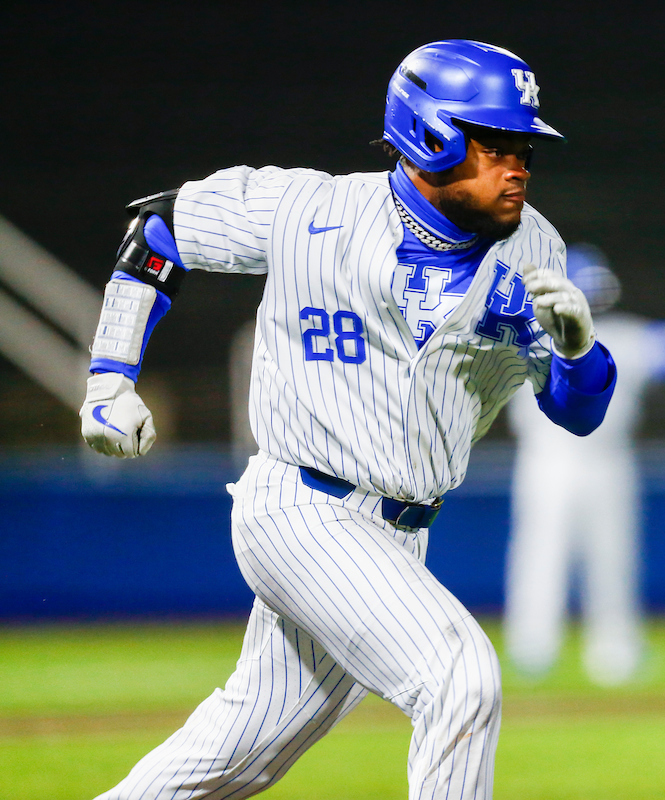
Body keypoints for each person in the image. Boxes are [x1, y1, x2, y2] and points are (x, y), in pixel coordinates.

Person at [78, 40, 615, 800]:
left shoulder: (536, 248)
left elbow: (579, 413)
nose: (519, 162)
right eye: (495, 142)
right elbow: (159, 232)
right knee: (459, 676)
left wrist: (579, 353)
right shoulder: (309, 208)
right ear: (432, 132)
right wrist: (109, 375)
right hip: (301, 506)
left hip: (400, 536)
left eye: (525, 144)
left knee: (238, 756)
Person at [504, 244, 665, 686]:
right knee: (541, 553)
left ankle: (614, 652)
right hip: (548, 458)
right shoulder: (528, 334)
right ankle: (532, 647)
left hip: (608, 459)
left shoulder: (624, 335)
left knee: (612, 557)